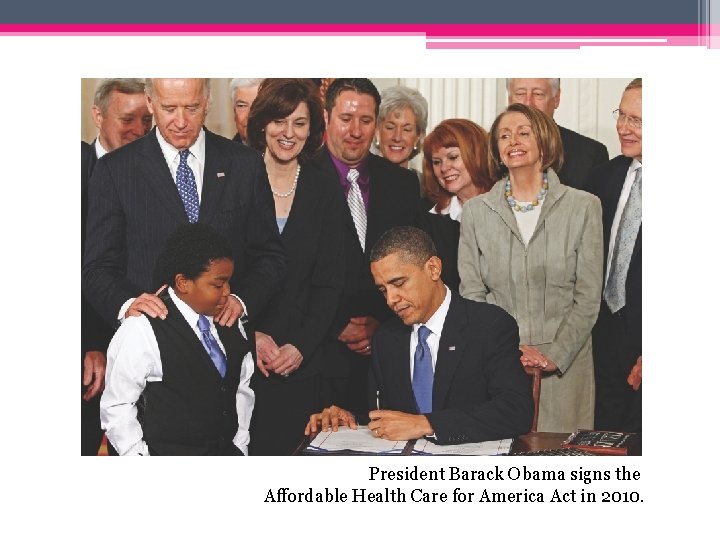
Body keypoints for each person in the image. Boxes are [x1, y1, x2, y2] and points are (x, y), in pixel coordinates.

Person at [82, 78, 285, 335]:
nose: (180, 121)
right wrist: (127, 304)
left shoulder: (245, 165)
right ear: (150, 102)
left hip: (228, 341)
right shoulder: (115, 170)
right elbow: (97, 268)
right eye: (169, 108)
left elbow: (270, 257)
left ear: (207, 102)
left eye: (191, 108)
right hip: (151, 345)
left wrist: (242, 300)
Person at [305, 226, 533, 443]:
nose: (391, 299)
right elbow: (389, 418)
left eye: (399, 283)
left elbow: (516, 411)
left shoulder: (488, 325)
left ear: (433, 268)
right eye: (383, 289)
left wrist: (427, 424)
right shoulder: (387, 339)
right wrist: (349, 419)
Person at [458, 103, 603, 433]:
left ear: (545, 141)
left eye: (524, 132)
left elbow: (588, 296)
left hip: (566, 367)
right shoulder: (476, 212)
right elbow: (472, 292)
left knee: (561, 468)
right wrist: (506, 351)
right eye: (504, 135)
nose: (514, 141)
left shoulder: (584, 207)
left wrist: (555, 355)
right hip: (498, 365)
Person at [244, 79, 345, 455]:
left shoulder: (323, 184)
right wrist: (250, 335)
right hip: (243, 355)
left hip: (304, 360)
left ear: (312, 129)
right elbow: (220, 275)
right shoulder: (237, 175)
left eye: (299, 123)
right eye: (279, 121)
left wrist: (301, 346)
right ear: (262, 123)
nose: (288, 133)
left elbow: (330, 281)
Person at [314, 78, 420, 415]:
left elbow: (414, 268)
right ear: (327, 117)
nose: (355, 131)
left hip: (386, 357)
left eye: (366, 120)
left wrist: (383, 324)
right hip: (317, 358)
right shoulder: (299, 177)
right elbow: (287, 271)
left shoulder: (402, 183)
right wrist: (333, 325)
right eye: (345, 119)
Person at [101, 223, 254, 455]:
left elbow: (241, 388)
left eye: (229, 282)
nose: (227, 292)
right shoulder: (142, 329)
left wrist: (240, 446)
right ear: (183, 283)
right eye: (218, 284)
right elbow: (117, 407)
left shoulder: (230, 320)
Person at [81, 78, 152, 456]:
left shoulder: (158, 170)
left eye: (147, 119)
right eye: (128, 118)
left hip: (147, 356)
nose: (139, 130)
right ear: (98, 115)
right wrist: (89, 343)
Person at [586, 78, 642, 432]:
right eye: (620, 115)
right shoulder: (603, 177)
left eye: (636, 120)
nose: (622, 127)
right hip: (602, 338)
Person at [415, 119, 493, 291]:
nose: (444, 168)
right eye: (437, 162)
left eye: (453, 157)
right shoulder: (426, 218)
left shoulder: (507, 206)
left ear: (476, 154)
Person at [507, 78, 608, 191]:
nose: (528, 103)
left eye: (538, 94)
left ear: (556, 98)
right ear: (510, 99)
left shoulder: (591, 154)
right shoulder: (488, 149)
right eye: (520, 94)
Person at [374, 85, 428, 176]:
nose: (397, 137)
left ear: (418, 137)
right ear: (377, 132)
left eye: (407, 129)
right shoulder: (357, 183)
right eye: (390, 127)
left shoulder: (426, 187)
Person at [229, 78, 264, 144]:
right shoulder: (223, 153)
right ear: (234, 111)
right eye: (242, 106)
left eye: (257, 105)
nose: (249, 115)